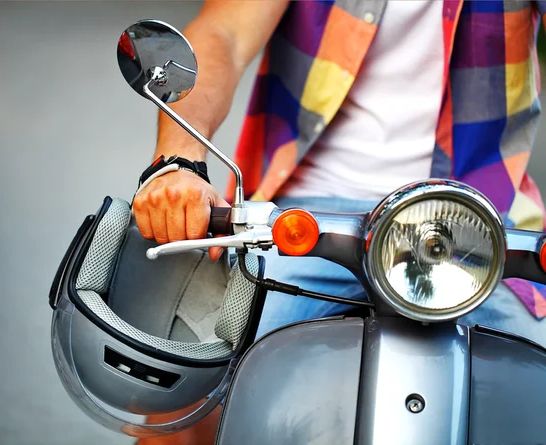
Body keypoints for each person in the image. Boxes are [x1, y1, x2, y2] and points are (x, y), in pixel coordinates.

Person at [132, 1, 546, 443]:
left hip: (479, 216)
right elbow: (224, 35)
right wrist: (178, 162)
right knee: (187, 377)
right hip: (307, 213)